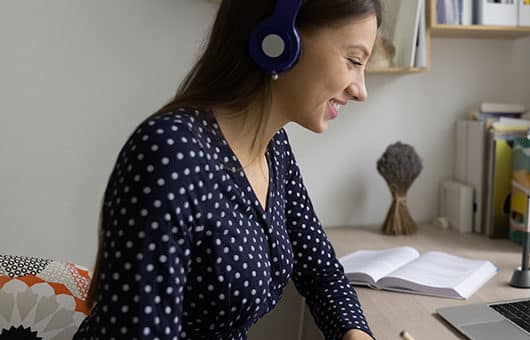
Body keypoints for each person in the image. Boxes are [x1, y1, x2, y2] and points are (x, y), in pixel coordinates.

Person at [74, 1, 381, 339]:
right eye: (353, 61)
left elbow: (320, 271)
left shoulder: (273, 149)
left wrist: (355, 332)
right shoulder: (169, 154)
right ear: (279, 39)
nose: (360, 90)